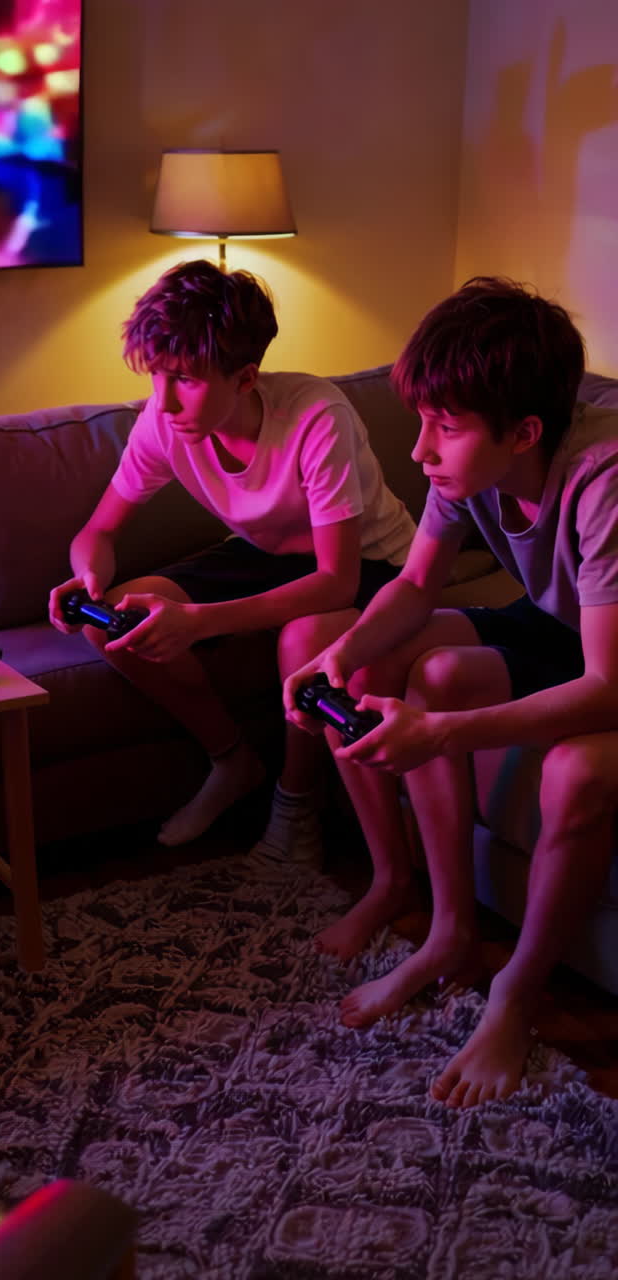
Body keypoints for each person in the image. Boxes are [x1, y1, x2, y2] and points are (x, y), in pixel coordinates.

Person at [284, 276, 618, 1107]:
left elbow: (609, 687)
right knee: (390, 669)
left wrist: (438, 736)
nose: (421, 451)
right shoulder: (469, 466)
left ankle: (516, 995)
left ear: (525, 431)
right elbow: (418, 584)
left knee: (576, 770)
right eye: (425, 420)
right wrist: (341, 654)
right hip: (569, 628)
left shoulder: (604, 479)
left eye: (444, 427)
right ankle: (448, 932)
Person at [48, 258, 415, 861]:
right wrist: (89, 575)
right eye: (156, 376)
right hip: (264, 553)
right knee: (108, 620)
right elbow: (97, 530)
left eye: (186, 379)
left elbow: (335, 580)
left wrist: (198, 622)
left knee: (305, 643)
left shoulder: (317, 418)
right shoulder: (163, 423)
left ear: (245, 379)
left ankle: (296, 801)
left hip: (370, 563)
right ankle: (231, 759)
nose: (163, 401)